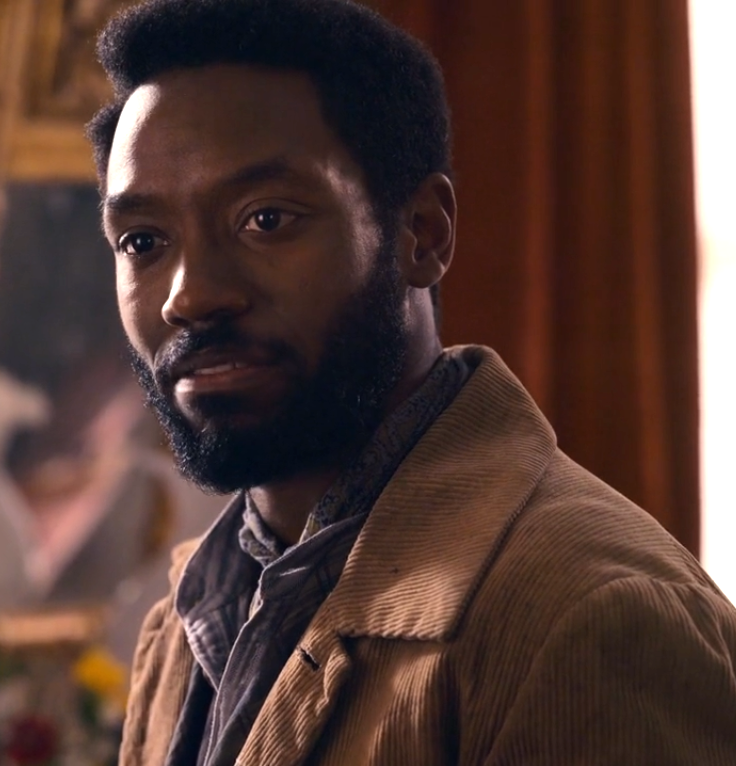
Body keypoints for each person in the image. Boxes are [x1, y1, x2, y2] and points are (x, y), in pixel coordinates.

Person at [87, 0, 736, 763]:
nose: (189, 295)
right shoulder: (183, 622)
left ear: (422, 233)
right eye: (143, 241)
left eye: (265, 219)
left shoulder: (592, 615)